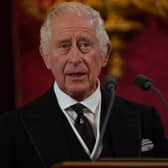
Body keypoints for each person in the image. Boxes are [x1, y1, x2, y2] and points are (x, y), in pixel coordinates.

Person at [0, 1, 168, 168]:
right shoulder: (12, 128)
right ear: (45, 56)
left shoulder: (145, 120)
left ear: (104, 54)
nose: (75, 58)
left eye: (85, 45)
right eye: (64, 46)